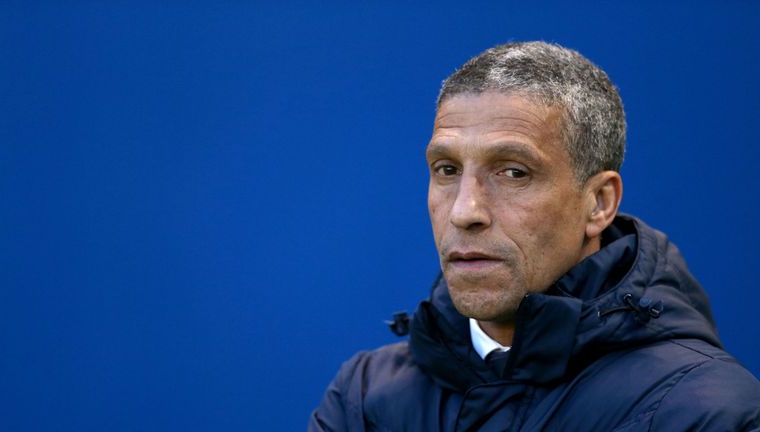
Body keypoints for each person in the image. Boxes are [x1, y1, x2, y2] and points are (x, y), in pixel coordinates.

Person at [308, 41, 760, 431]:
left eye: (513, 172)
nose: (465, 211)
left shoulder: (705, 412)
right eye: (446, 170)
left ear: (599, 202)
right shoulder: (363, 398)